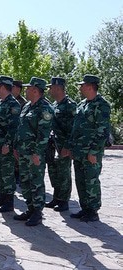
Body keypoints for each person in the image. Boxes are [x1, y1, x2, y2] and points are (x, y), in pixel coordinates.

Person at [64, 75, 111, 222]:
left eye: (82, 85)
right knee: (81, 180)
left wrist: (94, 151)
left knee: (91, 180)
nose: (80, 88)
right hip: (79, 152)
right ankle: (85, 208)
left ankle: (93, 210)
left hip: (91, 152)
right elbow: (76, 128)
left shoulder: (101, 105)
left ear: (90, 86)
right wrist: (71, 147)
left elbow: (102, 131)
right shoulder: (82, 104)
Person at [13, 77, 54, 226]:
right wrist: (16, 147)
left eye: (28, 88)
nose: (26, 90)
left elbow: (43, 134)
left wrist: (37, 153)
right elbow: (20, 128)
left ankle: (37, 212)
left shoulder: (45, 109)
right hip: (23, 152)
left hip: (34, 153)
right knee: (25, 181)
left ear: (36, 90)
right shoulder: (27, 106)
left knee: (36, 182)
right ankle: (30, 208)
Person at [0, 76, 21, 213]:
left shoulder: (13, 104)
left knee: (7, 173)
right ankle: (1, 198)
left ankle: (9, 202)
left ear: (2, 87)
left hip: (6, 146)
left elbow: (14, 127)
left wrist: (8, 144)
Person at [45, 77, 77, 212]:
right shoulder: (55, 104)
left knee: (64, 173)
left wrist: (68, 146)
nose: (49, 90)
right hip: (53, 145)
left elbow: (74, 129)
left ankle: (64, 201)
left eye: (51, 87)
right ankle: (57, 197)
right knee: (53, 172)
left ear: (58, 88)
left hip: (64, 146)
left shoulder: (70, 105)